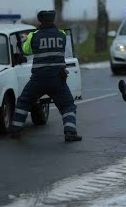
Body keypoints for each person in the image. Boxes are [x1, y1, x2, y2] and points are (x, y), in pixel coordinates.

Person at [10, 10, 80, 142]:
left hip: (38, 79)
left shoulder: (34, 35)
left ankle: (15, 130)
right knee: (67, 105)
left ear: (40, 21)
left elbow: (26, 50)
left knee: (24, 101)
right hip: (58, 79)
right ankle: (70, 132)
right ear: (52, 20)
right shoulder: (62, 34)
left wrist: (25, 40)